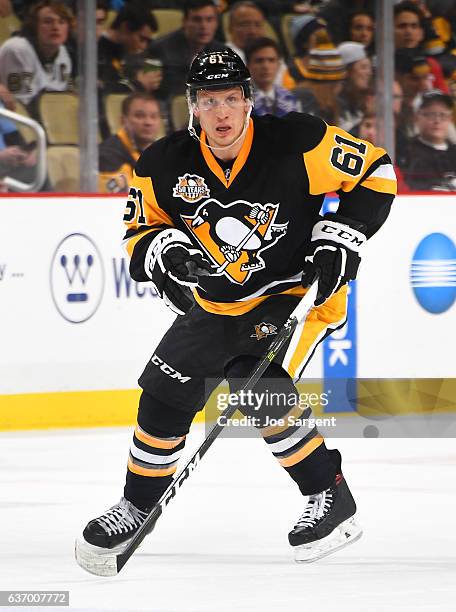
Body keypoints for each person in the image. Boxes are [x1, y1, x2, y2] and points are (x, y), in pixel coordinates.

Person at [75, 48, 396, 570]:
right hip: (218, 302)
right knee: (161, 396)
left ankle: (331, 495)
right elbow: (139, 233)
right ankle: (136, 504)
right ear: (193, 106)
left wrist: (342, 236)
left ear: (249, 101)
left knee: (256, 380)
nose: (221, 113)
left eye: (230, 99)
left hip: (292, 292)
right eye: (208, 100)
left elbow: (377, 172)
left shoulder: (298, 141)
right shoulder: (162, 163)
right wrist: (165, 254)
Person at [0, 0, 73, 108]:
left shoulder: (62, 52)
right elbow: (23, 103)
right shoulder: (17, 49)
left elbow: (59, 97)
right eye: (48, 22)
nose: (56, 27)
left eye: (61, 22)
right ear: (34, 27)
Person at [148, 0, 226, 98]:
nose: (203, 26)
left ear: (216, 23)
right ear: (184, 22)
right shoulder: (160, 48)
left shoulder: (222, 52)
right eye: (197, 20)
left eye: (209, 20)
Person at [98, 92, 163, 193]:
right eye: (140, 116)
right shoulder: (108, 153)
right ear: (123, 121)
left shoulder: (162, 152)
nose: (148, 122)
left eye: (154, 116)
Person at [403, 89, 456, 190]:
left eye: (443, 115)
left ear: (450, 119)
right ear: (416, 117)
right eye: (430, 114)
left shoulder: (454, 152)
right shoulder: (407, 152)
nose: (437, 120)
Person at [97, 5, 158, 93]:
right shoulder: (98, 51)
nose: (143, 46)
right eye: (142, 39)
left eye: (148, 41)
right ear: (125, 28)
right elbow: (102, 88)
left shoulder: (138, 54)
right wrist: (138, 85)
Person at [246, 37, 300, 117]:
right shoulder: (242, 100)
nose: (266, 66)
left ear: (279, 65)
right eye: (259, 61)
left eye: (271, 60)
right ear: (248, 66)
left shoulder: (291, 98)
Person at [337, 41, 373, 132]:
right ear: (347, 71)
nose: (369, 73)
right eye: (363, 67)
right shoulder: (336, 103)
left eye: (369, 68)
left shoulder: (361, 101)